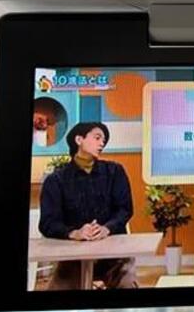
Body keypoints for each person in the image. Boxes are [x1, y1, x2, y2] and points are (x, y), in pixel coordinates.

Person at [39, 121, 136, 289]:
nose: (102, 143)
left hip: (114, 256)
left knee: (127, 285)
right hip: (72, 257)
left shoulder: (115, 171)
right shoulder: (56, 181)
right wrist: (74, 233)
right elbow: (48, 223)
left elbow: (125, 210)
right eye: (97, 138)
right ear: (79, 140)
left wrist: (106, 229)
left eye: (104, 140)